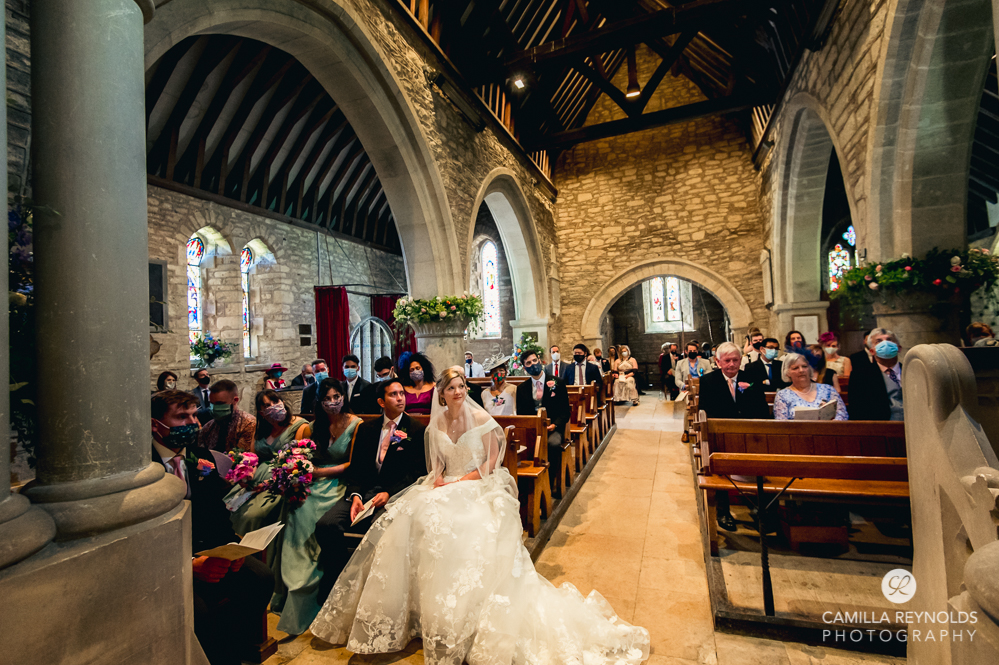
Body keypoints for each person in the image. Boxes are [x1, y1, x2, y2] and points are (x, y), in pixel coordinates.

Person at [309, 369, 651, 665]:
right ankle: (425, 613)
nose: (457, 392)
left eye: (461, 386)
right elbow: (437, 466)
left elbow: (490, 464)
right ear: (441, 394)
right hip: (445, 484)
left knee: (464, 526)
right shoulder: (436, 424)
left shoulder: (484, 420)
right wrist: (439, 481)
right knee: (414, 518)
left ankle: (463, 615)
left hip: (478, 485)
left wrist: (458, 481)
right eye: (451, 388)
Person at [150, 390, 273, 665]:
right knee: (200, 612)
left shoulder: (199, 455)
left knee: (260, 579)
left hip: (210, 548)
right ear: (154, 424)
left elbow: (216, 510)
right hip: (166, 562)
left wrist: (233, 548)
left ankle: (235, 651)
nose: (193, 423)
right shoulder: (144, 465)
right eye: (182, 417)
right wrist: (189, 563)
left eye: (194, 415)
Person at [313, 378, 427, 602]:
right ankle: (339, 581)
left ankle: (374, 590)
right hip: (363, 493)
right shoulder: (366, 429)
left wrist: (390, 493)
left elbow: (416, 473)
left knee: (380, 527)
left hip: (395, 495)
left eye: (401, 393)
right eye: (393, 394)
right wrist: (355, 495)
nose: (400, 398)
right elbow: (356, 468)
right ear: (381, 402)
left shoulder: (416, 429)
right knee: (326, 525)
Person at [697, 342, 770, 532]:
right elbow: (705, 410)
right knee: (718, 465)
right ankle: (723, 511)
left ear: (741, 360)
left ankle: (759, 510)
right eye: (727, 361)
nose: (731, 365)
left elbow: (761, 408)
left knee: (759, 462)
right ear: (718, 362)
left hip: (750, 434)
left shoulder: (751, 378)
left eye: (735, 360)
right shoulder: (708, 381)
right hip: (720, 435)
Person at [515, 348, 571, 491]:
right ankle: (526, 485)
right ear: (525, 368)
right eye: (528, 363)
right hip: (532, 429)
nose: (533, 364)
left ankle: (549, 482)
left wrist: (555, 425)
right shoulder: (522, 388)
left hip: (553, 428)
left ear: (539, 361)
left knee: (552, 445)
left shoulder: (557, 382)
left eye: (535, 360)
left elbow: (565, 411)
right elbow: (521, 413)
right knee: (519, 448)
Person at [848, 328, 904, 421]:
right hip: (881, 427)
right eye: (879, 341)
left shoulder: (912, 370)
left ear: (899, 348)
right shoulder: (860, 375)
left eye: (889, 340)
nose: (885, 344)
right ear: (872, 351)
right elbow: (857, 410)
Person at [773, 352, 848, 421]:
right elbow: (781, 422)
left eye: (804, 366)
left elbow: (842, 413)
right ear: (787, 373)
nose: (801, 370)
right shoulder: (783, 395)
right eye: (795, 368)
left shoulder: (828, 389)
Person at [198, 379, 256, 452]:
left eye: (219, 403)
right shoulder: (208, 428)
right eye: (212, 404)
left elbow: (242, 458)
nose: (214, 408)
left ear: (235, 400)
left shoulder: (248, 424)